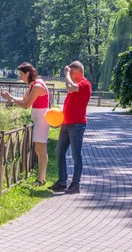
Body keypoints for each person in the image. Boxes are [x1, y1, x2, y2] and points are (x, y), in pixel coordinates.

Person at [1, 62, 50, 186]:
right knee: (39, 149)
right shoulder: (33, 84)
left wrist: (11, 99)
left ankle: (41, 180)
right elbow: (23, 99)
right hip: (38, 119)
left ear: (28, 73)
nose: (20, 77)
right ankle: (41, 178)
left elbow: (26, 105)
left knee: (41, 150)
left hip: (42, 120)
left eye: (22, 74)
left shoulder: (37, 86)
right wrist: (11, 97)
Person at [48, 61, 91, 194]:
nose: (70, 75)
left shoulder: (84, 84)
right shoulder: (75, 85)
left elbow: (71, 86)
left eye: (72, 73)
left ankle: (75, 184)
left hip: (77, 125)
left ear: (78, 72)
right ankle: (62, 181)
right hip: (66, 124)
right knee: (59, 152)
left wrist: (66, 74)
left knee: (76, 155)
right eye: (69, 73)